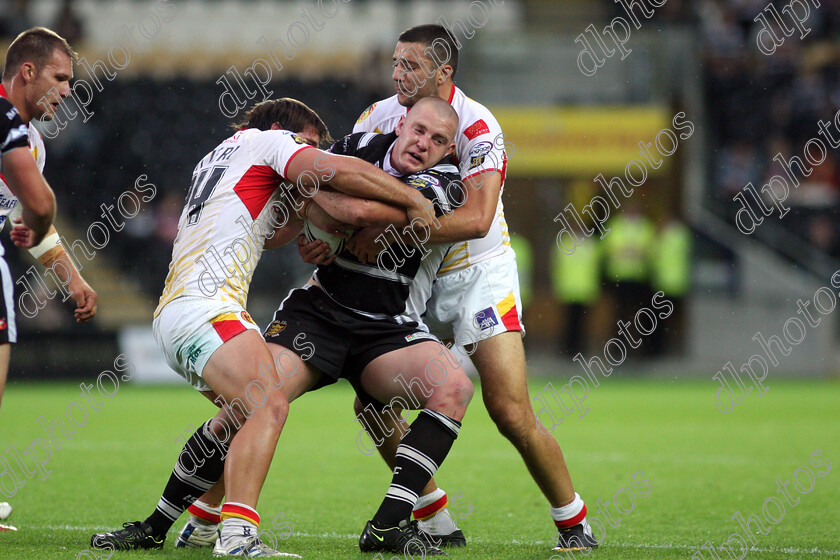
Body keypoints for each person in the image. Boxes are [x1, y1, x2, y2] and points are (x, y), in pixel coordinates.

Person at [90, 97, 437, 557]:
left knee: (238, 417)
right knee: (268, 403)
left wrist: (306, 223)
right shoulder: (271, 140)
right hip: (206, 309)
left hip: (179, 311)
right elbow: (336, 176)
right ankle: (237, 539)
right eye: (309, 143)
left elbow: (269, 229)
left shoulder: (219, 155)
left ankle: (163, 524)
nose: (312, 154)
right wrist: (414, 199)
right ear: (282, 130)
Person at [342, 24, 597, 552]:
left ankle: (574, 524)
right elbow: (344, 187)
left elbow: (478, 219)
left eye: (410, 65)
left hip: (478, 273)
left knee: (508, 411)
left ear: (444, 72)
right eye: (395, 62)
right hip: (410, 275)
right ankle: (435, 520)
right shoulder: (377, 117)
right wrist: (328, 234)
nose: (397, 75)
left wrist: (387, 227)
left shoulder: (479, 125)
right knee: (371, 404)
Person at [0, 27, 97, 526]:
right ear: (28, 72)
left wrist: (72, 279)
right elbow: (37, 210)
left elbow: (32, 225)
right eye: (60, 78)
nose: (67, 91)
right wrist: (34, 220)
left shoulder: (32, 144)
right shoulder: (7, 125)